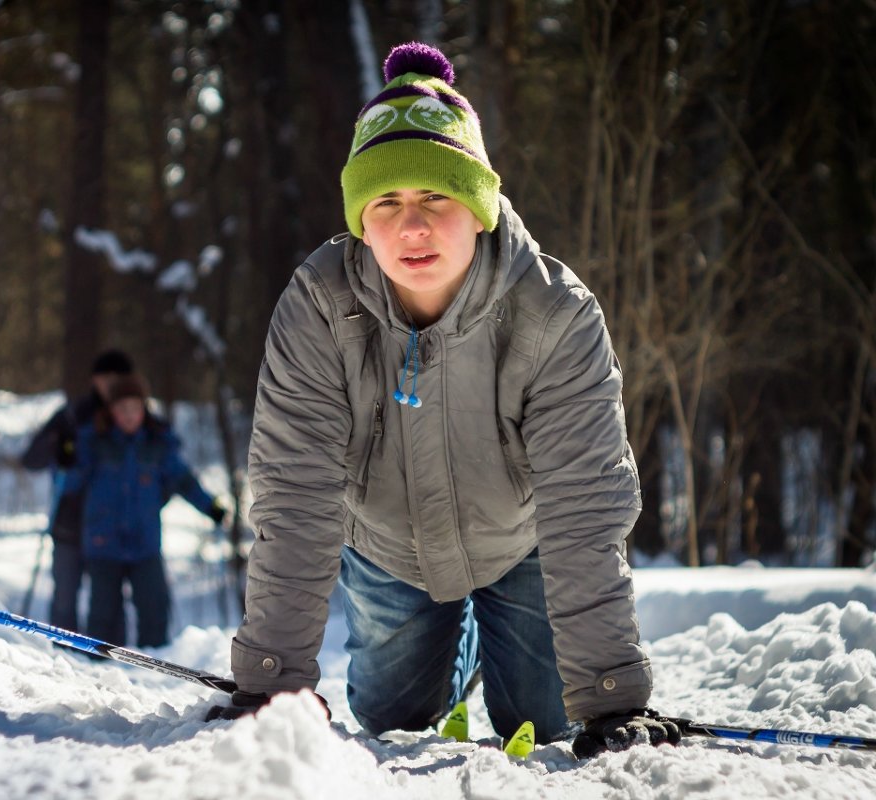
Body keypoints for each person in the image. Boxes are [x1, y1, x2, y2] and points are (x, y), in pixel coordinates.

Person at [213, 42, 682, 759]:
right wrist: (273, 679)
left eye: (436, 196)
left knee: (545, 719)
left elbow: (584, 504)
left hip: (517, 540)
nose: (413, 227)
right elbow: (295, 490)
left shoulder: (556, 315)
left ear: (479, 205)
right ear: (360, 219)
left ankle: (504, 640)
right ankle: (454, 650)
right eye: (388, 202)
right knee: (392, 715)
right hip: (388, 546)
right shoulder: (318, 308)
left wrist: (613, 697)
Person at [63, 373, 227, 648]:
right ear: (111, 411)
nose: (129, 415)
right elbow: (70, 484)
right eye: (122, 409)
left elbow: (184, 480)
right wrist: (68, 455)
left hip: (144, 543)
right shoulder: (93, 442)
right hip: (103, 543)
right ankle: (97, 670)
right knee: (104, 616)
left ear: (144, 408)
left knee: (154, 609)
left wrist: (211, 507)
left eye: (134, 408)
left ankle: (155, 669)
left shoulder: (157, 444)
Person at [20, 348, 134, 633]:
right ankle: (61, 658)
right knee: (64, 600)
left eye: (117, 377)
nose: (110, 383)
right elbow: (32, 459)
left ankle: (112, 663)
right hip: (69, 524)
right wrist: (58, 446)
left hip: (110, 528)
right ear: (94, 379)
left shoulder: (134, 418)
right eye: (105, 376)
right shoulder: (72, 415)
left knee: (108, 606)